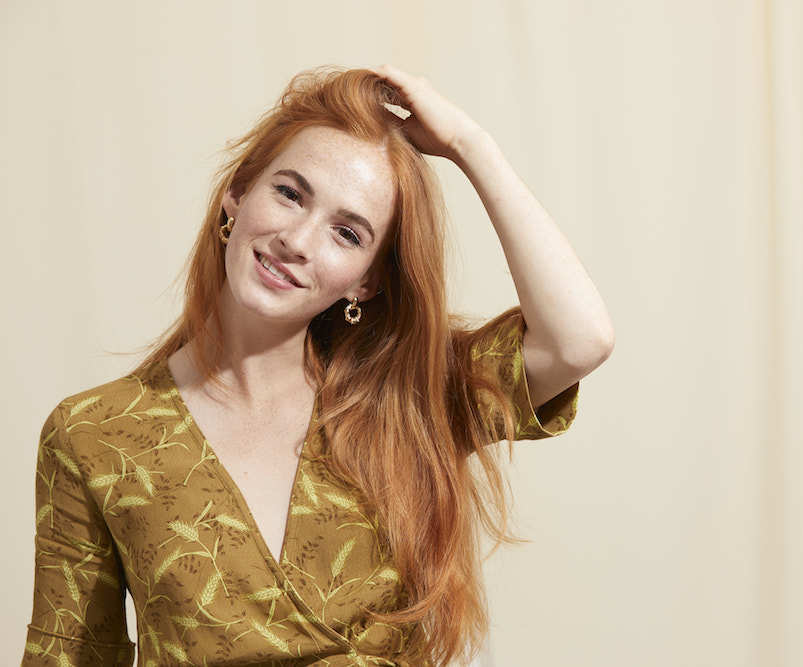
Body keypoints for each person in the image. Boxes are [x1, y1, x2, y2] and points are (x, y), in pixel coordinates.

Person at [21, 63, 613, 666]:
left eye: (348, 233)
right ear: (236, 195)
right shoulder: (95, 434)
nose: (298, 241)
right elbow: (68, 655)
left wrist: (469, 146)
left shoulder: (406, 401)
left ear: (368, 283)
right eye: (289, 193)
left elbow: (579, 341)